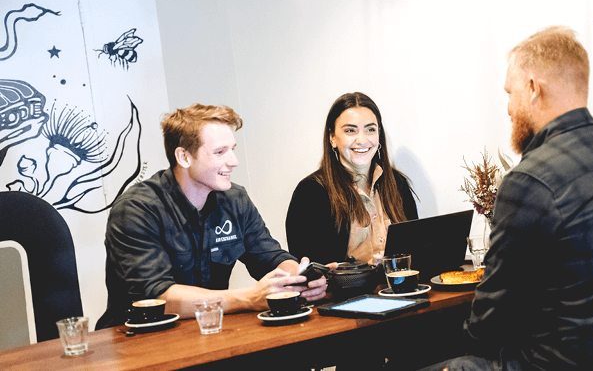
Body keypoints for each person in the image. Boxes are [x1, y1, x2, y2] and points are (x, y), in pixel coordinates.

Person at [420, 26, 593, 370]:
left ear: (533, 89)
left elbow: (490, 323)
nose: (508, 108)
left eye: (510, 93)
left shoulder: (530, 182)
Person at [96, 104, 328, 329]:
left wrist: (298, 278)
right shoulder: (137, 209)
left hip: (210, 329)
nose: (233, 162)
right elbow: (157, 295)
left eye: (232, 149)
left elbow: (271, 257)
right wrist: (247, 298)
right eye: (220, 152)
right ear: (184, 157)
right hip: (139, 339)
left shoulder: (235, 199)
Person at [285, 92, 418, 266]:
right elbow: (308, 268)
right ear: (332, 137)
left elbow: (416, 246)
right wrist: (365, 269)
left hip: (400, 288)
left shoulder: (397, 182)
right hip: (346, 293)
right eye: (350, 130)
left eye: (370, 129)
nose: (362, 140)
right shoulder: (311, 192)